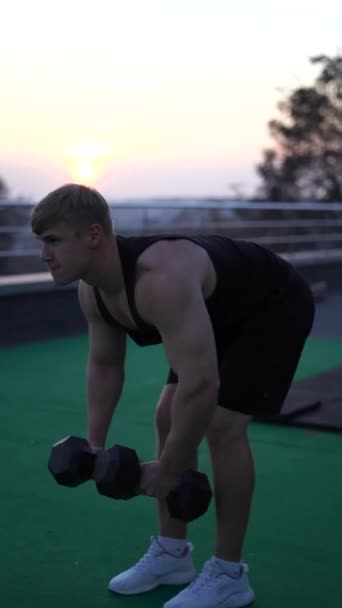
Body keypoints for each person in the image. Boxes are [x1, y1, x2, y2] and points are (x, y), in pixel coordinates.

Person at [31, 183, 315, 608]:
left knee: (221, 424)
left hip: (270, 304)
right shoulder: (92, 290)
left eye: (52, 240)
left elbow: (202, 385)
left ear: (93, 236)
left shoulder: (158, 279)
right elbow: (106, 366)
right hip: (212, 310)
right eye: (41, 242)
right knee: (168, 416)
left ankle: (229, 574)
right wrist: (94, 446)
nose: (43, 254)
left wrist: (167, 469)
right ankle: (172, 554)